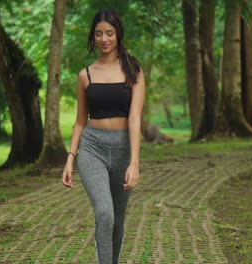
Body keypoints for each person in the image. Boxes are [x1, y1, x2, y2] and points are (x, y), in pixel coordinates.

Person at [61, 8, 145, 264]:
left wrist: (134, 162)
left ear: (118, 34)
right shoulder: (85, 75)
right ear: (93, 37)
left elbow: (134, 119)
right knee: (104, 213)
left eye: (109, 33)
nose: (104, 39)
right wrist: (70, 158)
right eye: (99, 34)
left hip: (122, 149)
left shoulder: (133, 70)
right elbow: (79, 122)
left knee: (117, 219)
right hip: (92, 148)